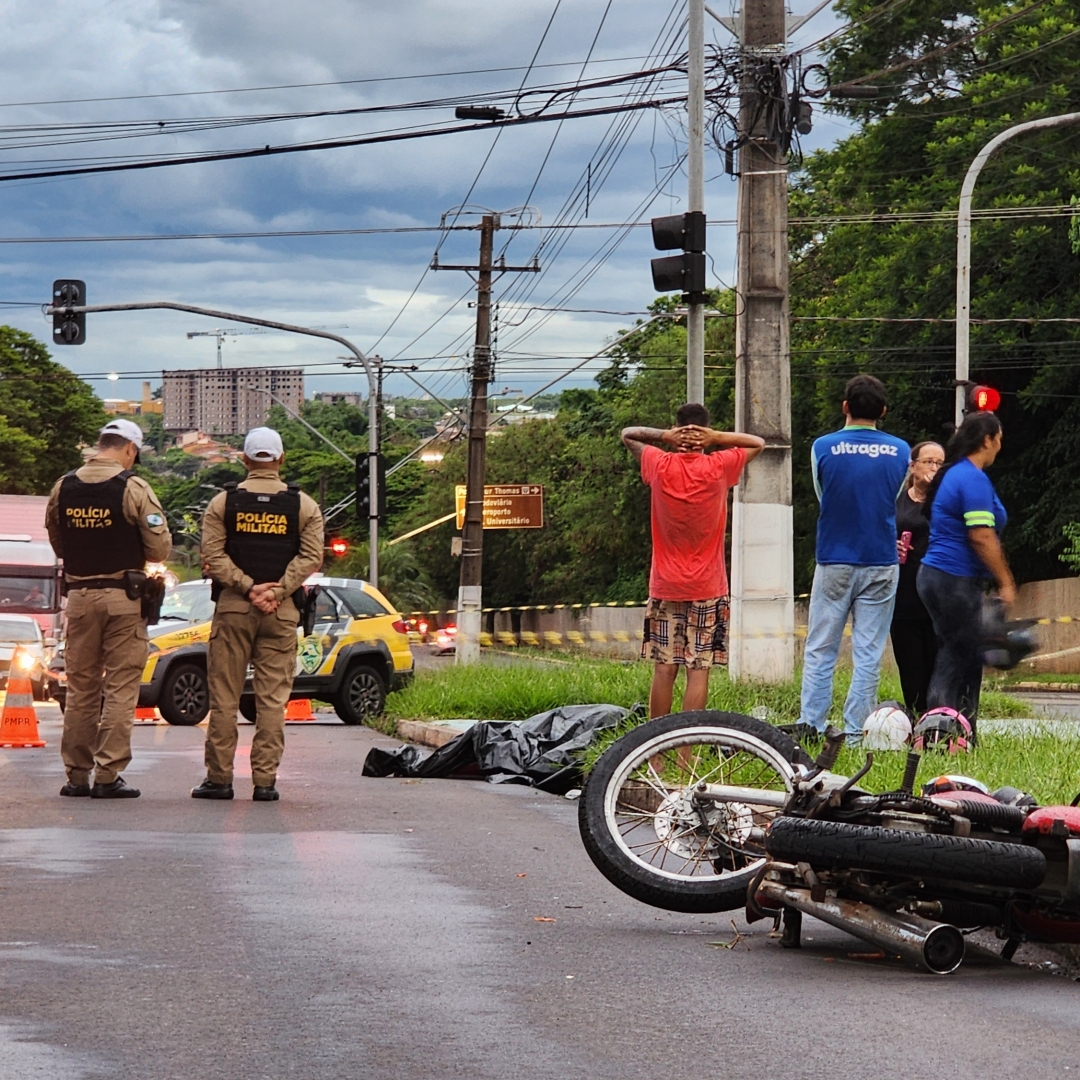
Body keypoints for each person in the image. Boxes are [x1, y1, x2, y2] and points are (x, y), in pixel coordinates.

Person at [192, 427, 324, 802]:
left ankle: (219, 779)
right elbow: (311, 557)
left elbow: (213, 556)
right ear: (281, 459)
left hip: (234, 609)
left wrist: (248, 588)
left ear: (245, 460)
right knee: (272, 701)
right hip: (281, 612)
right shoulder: (304, 506)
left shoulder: (223, 503)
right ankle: (265, 782)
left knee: (225, 698)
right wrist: (277, 591)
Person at [45, 418, 173, 799]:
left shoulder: (63, 487)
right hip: (123, 599)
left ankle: (76, 776)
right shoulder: (133, 487)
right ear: (129, 449)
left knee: (81, 689)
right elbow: (159, 549)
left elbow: (58, 541)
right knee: (120, 687)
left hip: (79, 598)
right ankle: (107, 774)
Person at [622, 404, 764, 718]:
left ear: (676, 428)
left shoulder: (659, 464)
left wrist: (666, 436)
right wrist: (715, 438)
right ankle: (688, 747)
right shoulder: (719, 466)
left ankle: (658, 745)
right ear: (705, 431)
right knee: (698, 670)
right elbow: (758, 443)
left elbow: (628, 435)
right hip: (708, 586)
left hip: (665, 585)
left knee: (664, 669)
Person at [796, 375, 910, 740]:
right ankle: (858, 730)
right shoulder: (901, 450)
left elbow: (823, 495)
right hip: (881, 557)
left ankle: (812, 725)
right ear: (883, 411)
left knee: (820, 647)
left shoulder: (823, 447)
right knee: (869, 651)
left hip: (834, 556)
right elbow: (892, 499)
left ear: (845, 406)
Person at [918, 411, 1014, 738]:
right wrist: (1005, 581)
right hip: (952, 578)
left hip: (939, 576)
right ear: (987, 440)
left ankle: (957, 730)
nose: (999, 446)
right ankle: (943, 733)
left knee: (961, 653)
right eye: (998, 439)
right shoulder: (971, 478)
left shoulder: (956, 474)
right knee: (959, 657)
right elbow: (981, 535)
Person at [890, 441, 945, 715]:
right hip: (904, 595)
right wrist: (890, 545)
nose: (934, 468)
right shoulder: (896, 501)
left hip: (939, 596)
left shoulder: (945, 502)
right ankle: (916, 719)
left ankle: (940, 721)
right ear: (913, 466)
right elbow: (879, 531)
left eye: (939, 463)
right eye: (928, 462)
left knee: (939, 667)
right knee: (911, 666)